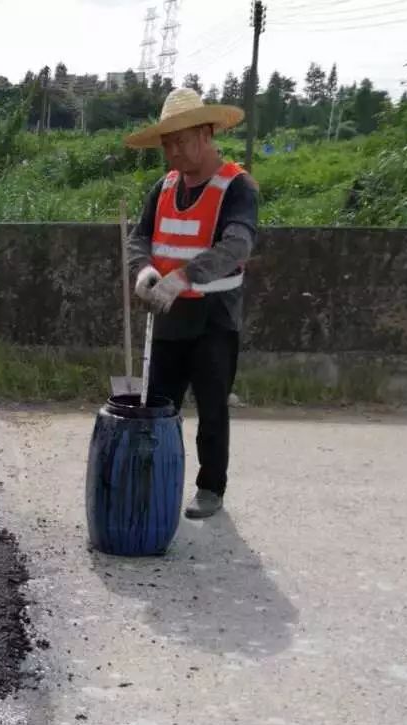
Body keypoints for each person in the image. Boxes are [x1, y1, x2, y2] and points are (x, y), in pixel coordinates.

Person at [125, 88, 260, 519]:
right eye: (167, 142)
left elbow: (236, 246)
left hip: (213, 317)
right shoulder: (163, 187)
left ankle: (210, 488)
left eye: (181, 140)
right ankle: (155, 483)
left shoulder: (237, 187)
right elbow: (138, 239)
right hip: (167, 314)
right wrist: (144, 271)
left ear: (206, 133)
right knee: (159, 406)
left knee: (212, 405)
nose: (173, 151)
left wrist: (183, 277)